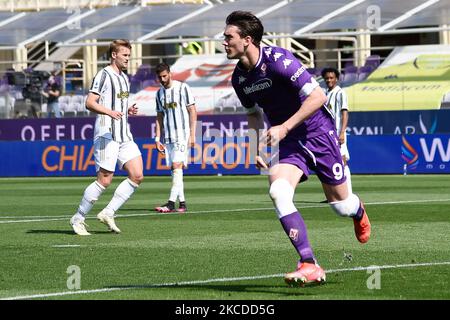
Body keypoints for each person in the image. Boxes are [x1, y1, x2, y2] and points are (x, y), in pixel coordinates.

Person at [223, 11, 371, 287]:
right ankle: (309, 263)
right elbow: (254, 114)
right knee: (277, 191)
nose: (224, 42)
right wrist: (257, 145)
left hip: (318, 133)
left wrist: (284, 127)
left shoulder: (279, 60)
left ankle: (358, 210)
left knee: (341, 205)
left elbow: (318, 97)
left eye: (229, 36)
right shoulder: (239, 79)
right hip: (288, 142)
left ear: (247, 39)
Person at [69, 39, 144, 235]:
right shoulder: (103, 75)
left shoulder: (123, 77)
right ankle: (78, 218)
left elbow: (116, 104)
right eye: (124, 55)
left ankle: (108, 212)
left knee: (137, 175)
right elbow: (90, 102)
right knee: (104, 180)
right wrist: (110, 112)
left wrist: (127, 109)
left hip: (124, 134)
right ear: (114, 55)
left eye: (129, 55)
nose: (128, 59)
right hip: (106, 133)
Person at [153, 62, 197, 213]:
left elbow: (192, 110)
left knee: (177, 166)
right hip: (168, 137)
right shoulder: (159, 94)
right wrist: (157, 138)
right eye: (160, 77)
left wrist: (192, 134)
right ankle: (183, 203)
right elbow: (159, 116)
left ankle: (170, 203)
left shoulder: (183, 88)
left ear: (170, 73)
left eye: (165, 76)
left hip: (182, 135)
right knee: (175, 170)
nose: (163, 79)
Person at [321, 67, 352, 194]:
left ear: (336, 79)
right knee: (332, 163)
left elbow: (344, 113)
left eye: (331, 78)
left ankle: (348, 193)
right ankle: (336, 194)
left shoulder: (340, 93)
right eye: (327, 78)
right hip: (328, 134)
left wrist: (342, 131)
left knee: (342, 161)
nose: (329, 80)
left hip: (338, 133)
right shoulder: (325, 94)